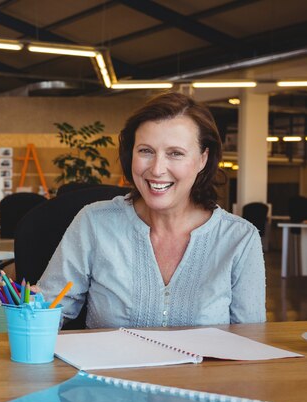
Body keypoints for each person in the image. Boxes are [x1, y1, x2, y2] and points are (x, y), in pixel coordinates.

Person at [37, 92, 265, 328]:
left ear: (202, 159)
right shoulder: (94, 222)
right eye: (146, 151)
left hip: (203, 367)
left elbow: (250, 338)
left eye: (175, 153)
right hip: (107, 366)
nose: (157, 169)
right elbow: (47, 310)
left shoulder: (240, 238)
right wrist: (30, 311)